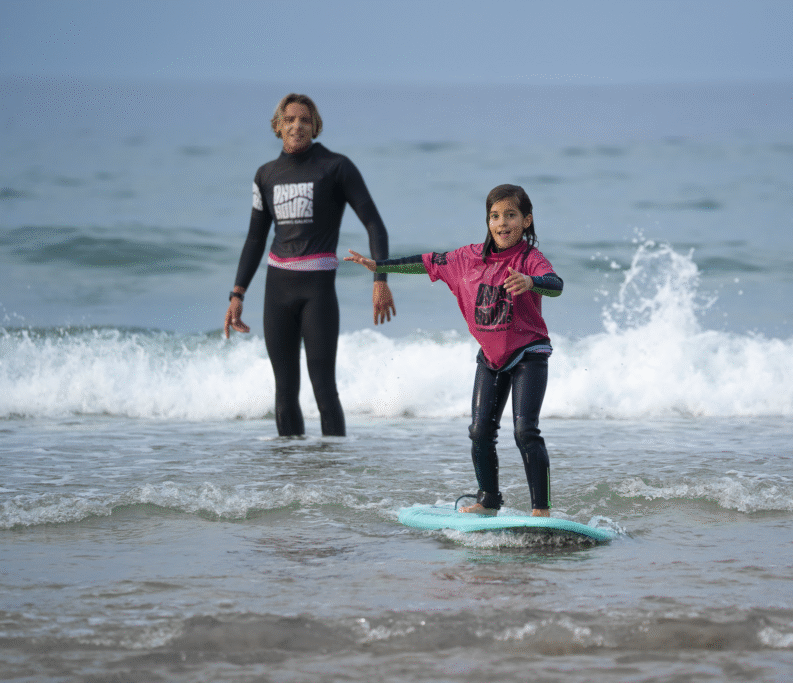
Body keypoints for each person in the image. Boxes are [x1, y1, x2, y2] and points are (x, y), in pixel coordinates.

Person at [345, 184, 562, 517]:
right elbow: (424, 262)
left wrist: (531, 282)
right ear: (488, 221)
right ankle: (489, 500)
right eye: (494, 216)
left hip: (529, 355)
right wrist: (380, 267)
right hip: (491, 360)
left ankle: (541, 510)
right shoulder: (466, 259)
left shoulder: (529, 259)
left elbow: (556, 284)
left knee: (525, 431)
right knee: (479, 431)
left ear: (527, 221)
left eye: (511, 215)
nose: (502, 223)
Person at [224, 93, 395, 437]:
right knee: (284, 393)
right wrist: (237, 293)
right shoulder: (265, 175)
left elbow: (375, 224)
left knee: (324, 390)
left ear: (315, 126)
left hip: (317, 292)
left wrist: (380, 280)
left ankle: (334, 480)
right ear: (277, 127)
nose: (296, 125)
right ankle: (291, 478)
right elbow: (255, 239)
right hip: (277, 290)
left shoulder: (335, 167)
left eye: (304, 119)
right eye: (289, 119)